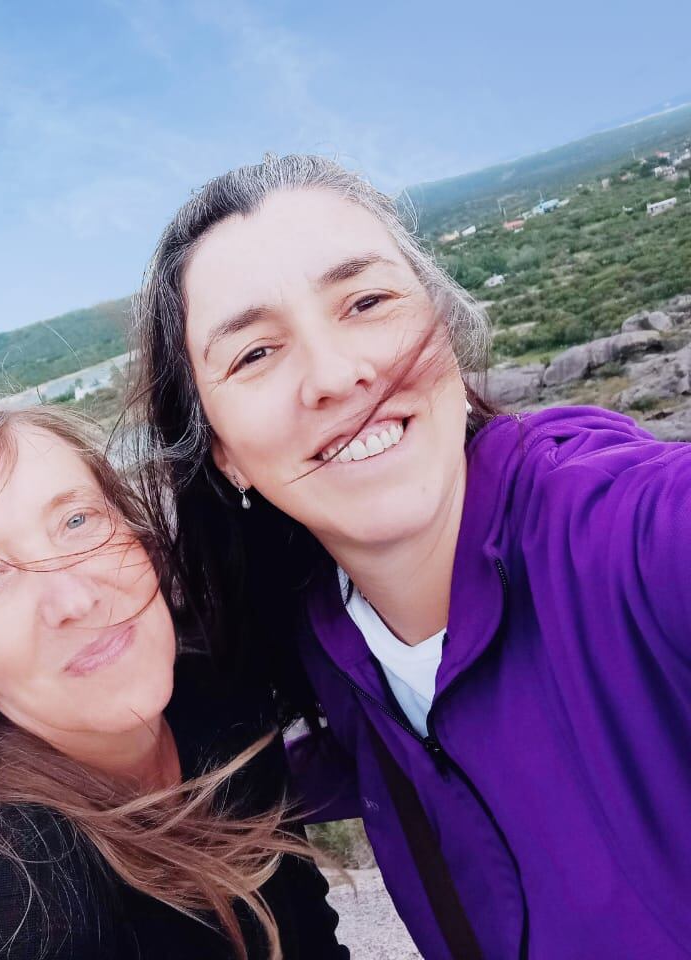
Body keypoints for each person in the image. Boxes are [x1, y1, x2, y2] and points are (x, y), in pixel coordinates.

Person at [128, 154, 691, 959]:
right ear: (224, 455)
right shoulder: (330, 645)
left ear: (446, 327)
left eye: (366, 301)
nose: (335, 374)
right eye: (255, 353)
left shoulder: (624, 544)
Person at [0, 397, 347, 960]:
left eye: (76, 521)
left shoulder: (219, 696)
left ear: (134, 534)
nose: (74, 598)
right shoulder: (24, 908)